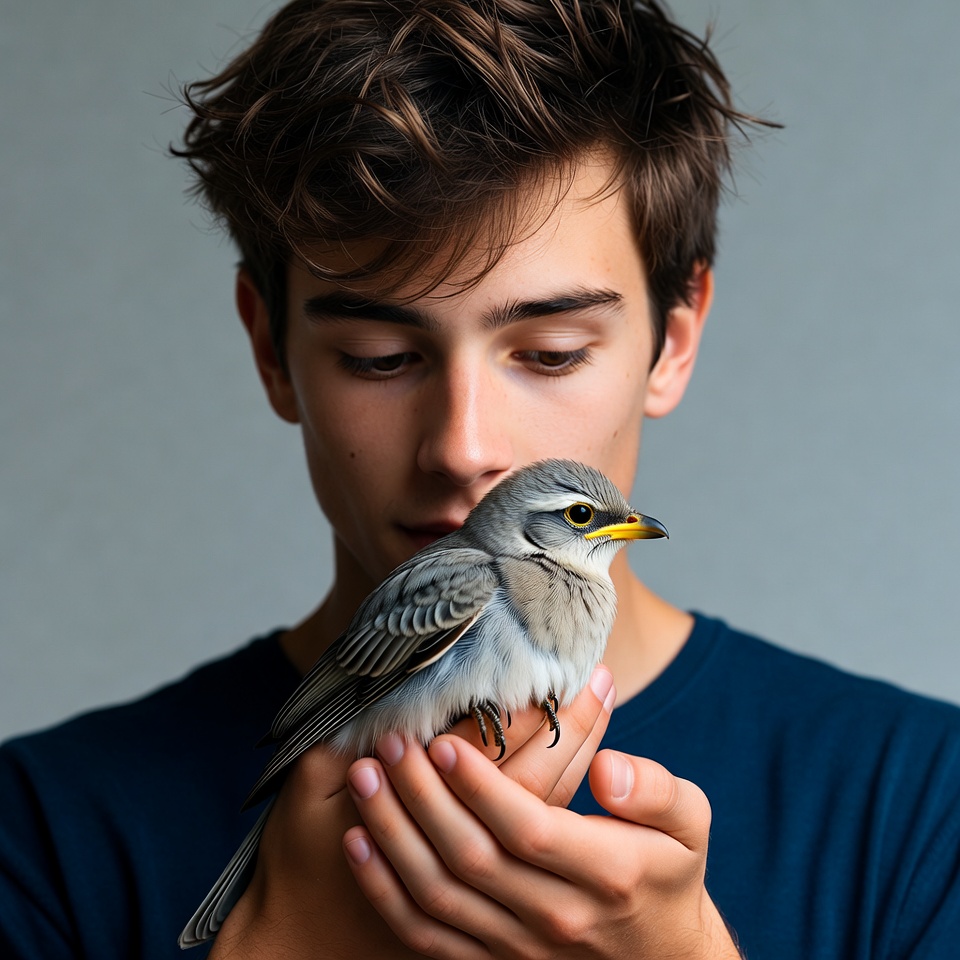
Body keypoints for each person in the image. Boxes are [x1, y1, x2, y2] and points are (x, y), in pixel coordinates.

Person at [2, 1, 959, 958]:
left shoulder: (924, 805)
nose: (463, 449)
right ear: (270, 349)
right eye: (380, 356)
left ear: (675, 337)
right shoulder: (37, 835)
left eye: (547, 352)